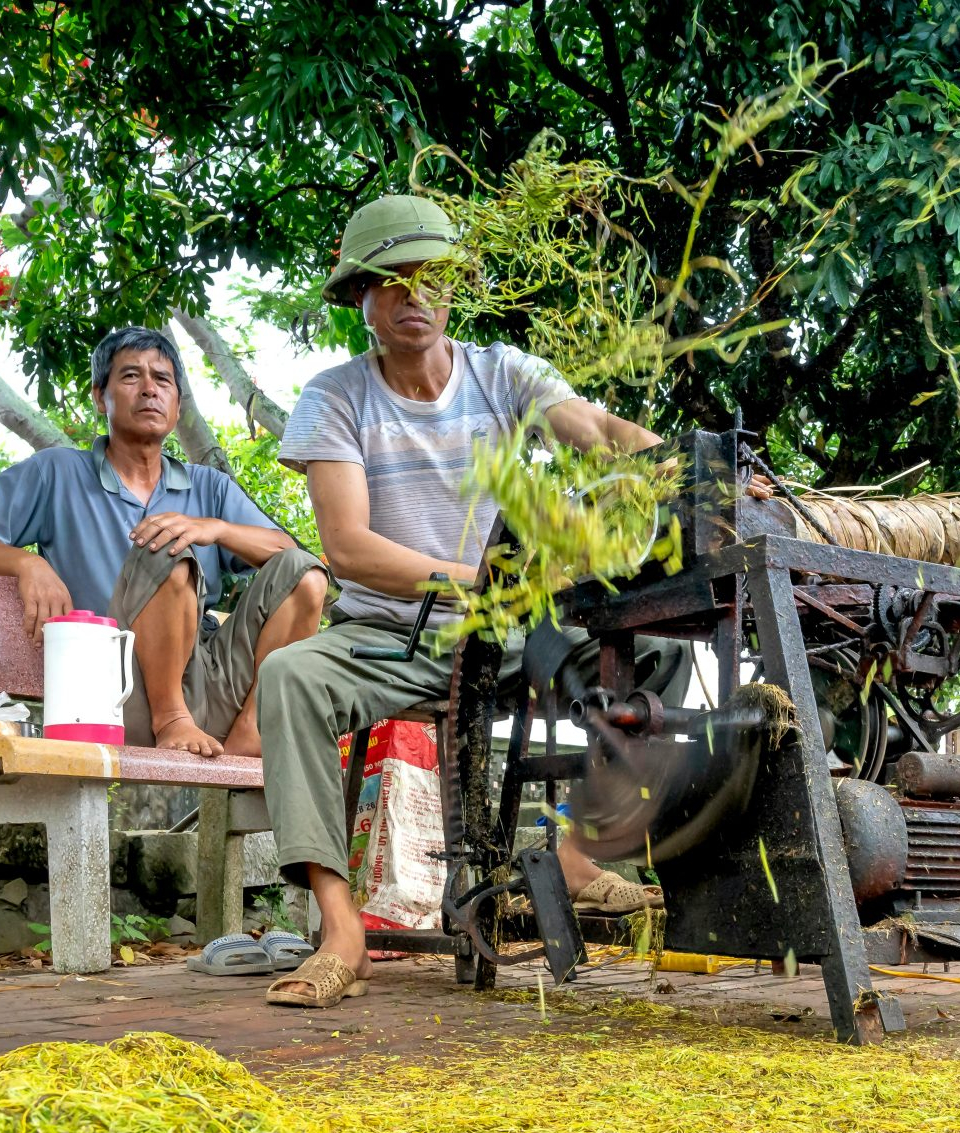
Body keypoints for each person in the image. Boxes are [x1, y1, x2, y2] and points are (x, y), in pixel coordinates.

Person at [257, 193, 688, 1009]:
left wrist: (677, 465)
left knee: (660, 649)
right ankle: (342, 930)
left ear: (455, 289)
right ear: (361, 301)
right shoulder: (336, 397)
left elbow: (591, 429)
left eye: (431, 278)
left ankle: (573, 848)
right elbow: (348, 548)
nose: (413, 294)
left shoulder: (502, 373)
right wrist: (474, 582)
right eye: (390, 282)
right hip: (385, 640)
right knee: (289, 677)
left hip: (506, 638)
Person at [0, 326, 327, 757]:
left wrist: (216, 528)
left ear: (177, 406)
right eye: (130, 377)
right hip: (112, 693)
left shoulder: (208, 486)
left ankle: (251, 736)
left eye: (163, 380)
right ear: (100, 397)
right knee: (167, 550)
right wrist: (28, 565)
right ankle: (170, 717)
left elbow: (289, 555)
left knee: (304, 573)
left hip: (214, 687)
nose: (149, 390)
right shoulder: (58, 472)